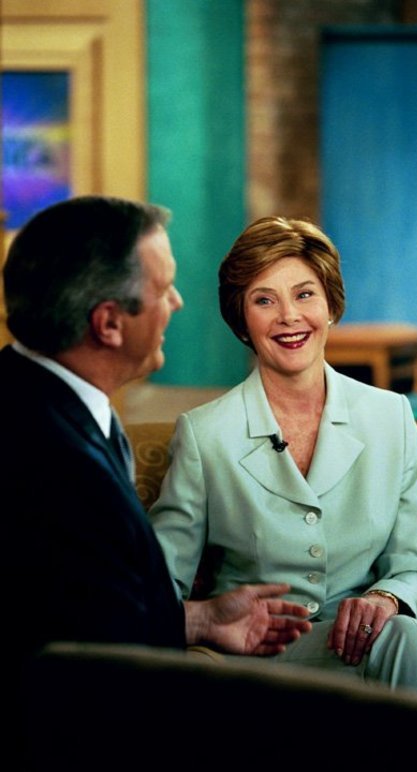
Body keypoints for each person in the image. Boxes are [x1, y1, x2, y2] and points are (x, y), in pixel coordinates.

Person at [0, 198, 312, 759]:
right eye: (164, 287)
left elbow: (76, 614)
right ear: (110, 323)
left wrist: (201, 619)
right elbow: (99, 678)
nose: (177, 301)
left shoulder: (28, 395)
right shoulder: (60, 468)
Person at [150, 215, 417, 701]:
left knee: (410, 636)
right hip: (257, 658)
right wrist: (205, 624)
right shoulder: (205, 435)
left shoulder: (391, 417)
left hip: (361, 650)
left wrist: (386, 596)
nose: (288, 317)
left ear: (331, 304)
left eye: (304, 294)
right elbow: (159, 583)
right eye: (264, 300)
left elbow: (416, 566)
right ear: (242, 320)